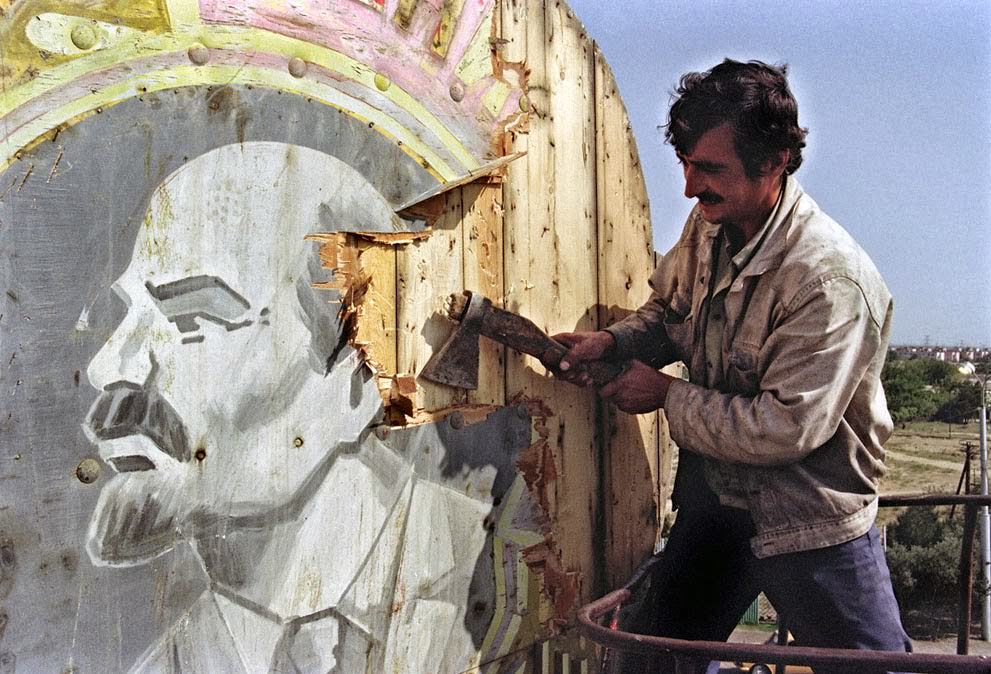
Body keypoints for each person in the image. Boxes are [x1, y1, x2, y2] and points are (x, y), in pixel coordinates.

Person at [81, 141, 502, 673]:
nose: (109, 365)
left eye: (190, 319)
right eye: (130, 313)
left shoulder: (515, 587)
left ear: (359, 373)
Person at [551, 60, 910, 673]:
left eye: (709, 169)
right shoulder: (710, 225)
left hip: (810, 525)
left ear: (774, 162)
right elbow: (670, 315)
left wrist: (665, 396)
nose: (690, 187)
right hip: (716, 509)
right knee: (653, 663)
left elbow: (785, 428)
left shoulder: (829, 280)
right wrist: (614, 345)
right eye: (686, 165)